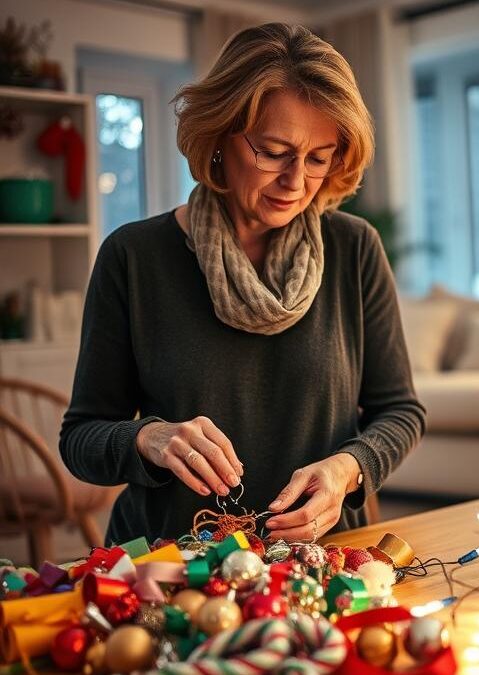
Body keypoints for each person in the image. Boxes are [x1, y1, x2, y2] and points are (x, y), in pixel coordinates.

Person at [59, 23, 425, 545]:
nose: (296, 182)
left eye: (318, 158)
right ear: (218, 135)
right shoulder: (133, 257)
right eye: (274, 151)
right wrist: (149, 437)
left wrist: (349, 468)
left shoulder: (355, 248)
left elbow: (400, 410)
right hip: (169, 566)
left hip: (323, 561)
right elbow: (81, 438)